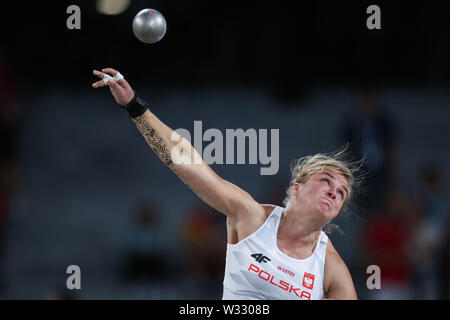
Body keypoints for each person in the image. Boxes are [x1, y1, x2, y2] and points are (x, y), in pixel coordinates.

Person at [92, 68, 359, 300]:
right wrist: (136, 108)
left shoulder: (330, 267)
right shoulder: (252, 218)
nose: (333, 192)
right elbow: (185, 161)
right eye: (326, 181)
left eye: (341, 193)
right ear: (297, 187)